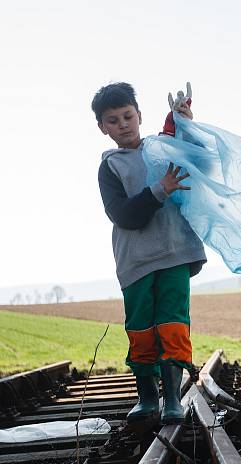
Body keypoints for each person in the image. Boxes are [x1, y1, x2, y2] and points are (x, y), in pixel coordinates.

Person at [91, 82, 206, 424]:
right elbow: (123, 214)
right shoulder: (109, 168)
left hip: (174, 254)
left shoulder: (163, 147)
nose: (123, 124)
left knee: (173, 325)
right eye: (113, 120)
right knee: (141, 328)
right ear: (102, 128)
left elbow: (200, 164)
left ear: (139, 116)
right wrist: (159, 189)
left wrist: (186, 124)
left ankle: (172, 400)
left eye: (127, 116)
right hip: (135, 262)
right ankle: (147, 398)